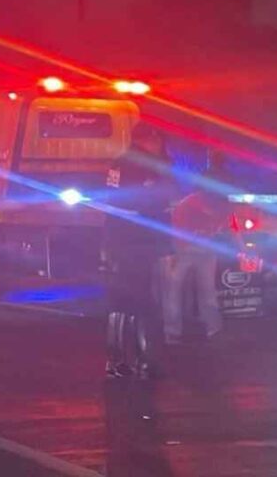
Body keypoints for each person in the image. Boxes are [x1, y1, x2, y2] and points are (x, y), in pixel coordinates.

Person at [104, 124, 178, 378]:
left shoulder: (139, 164)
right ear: (146, 140)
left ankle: (126, 358)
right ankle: (134, 358)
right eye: (156, 141)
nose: (159, 146)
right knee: (137, 301)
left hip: (134, 241)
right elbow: (128, 204)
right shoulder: (134, 166)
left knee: (132, 301)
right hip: (135, 242)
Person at [166, 149, 233, 343]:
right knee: (193, 290)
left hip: (197, 248)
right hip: (189, 248)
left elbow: (223, 226)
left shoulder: (209, 202)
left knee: (178, 289)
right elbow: (179, 228)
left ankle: (177, 331)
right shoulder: (191, 205)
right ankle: (209, 328)